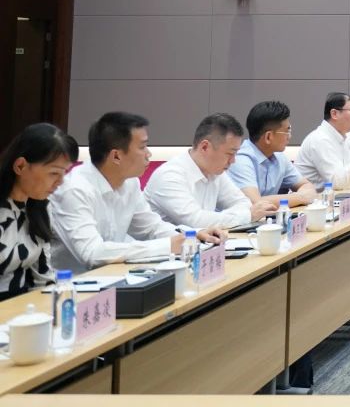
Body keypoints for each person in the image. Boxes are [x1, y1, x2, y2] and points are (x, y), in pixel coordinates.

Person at [51, 112, 223, 273]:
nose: (149, 154)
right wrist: (167, 246)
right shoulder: (75, 190)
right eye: (142, 147)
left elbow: (151, 227)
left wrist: (192, 235)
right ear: (116, 156)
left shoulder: (129, 182)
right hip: (69, 285)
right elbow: (92, 253)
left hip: (113, 276)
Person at [145, 113, 275, 229]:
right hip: (164, 248)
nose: (233, 161)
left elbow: (243, 203)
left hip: (200, 245)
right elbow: (195, 221)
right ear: (205, 147)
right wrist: (246, 216)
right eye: (230, 153)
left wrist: (231, 216)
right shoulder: (169, 176)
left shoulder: (215, 171)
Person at [0, 123, 76, 297]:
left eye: (64, 173)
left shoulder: (40, 207)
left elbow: (43, 278)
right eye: (54, 173)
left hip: (24, 304)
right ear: (20, 166)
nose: (60, 181)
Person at [229, 100, 316, 208]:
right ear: (268, 137)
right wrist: (301, 197)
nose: (289, 136)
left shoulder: (279, 157)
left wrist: (301, 196)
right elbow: (255, 204)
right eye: (286, 131)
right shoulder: (240, 160)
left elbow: (306, 185)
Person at [296, 92, 350, 189]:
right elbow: (336, 182)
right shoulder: (320, 139)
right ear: (334, 114)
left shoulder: (341, 136)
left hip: (330, 195)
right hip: (314, 197)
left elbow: (346, 171)